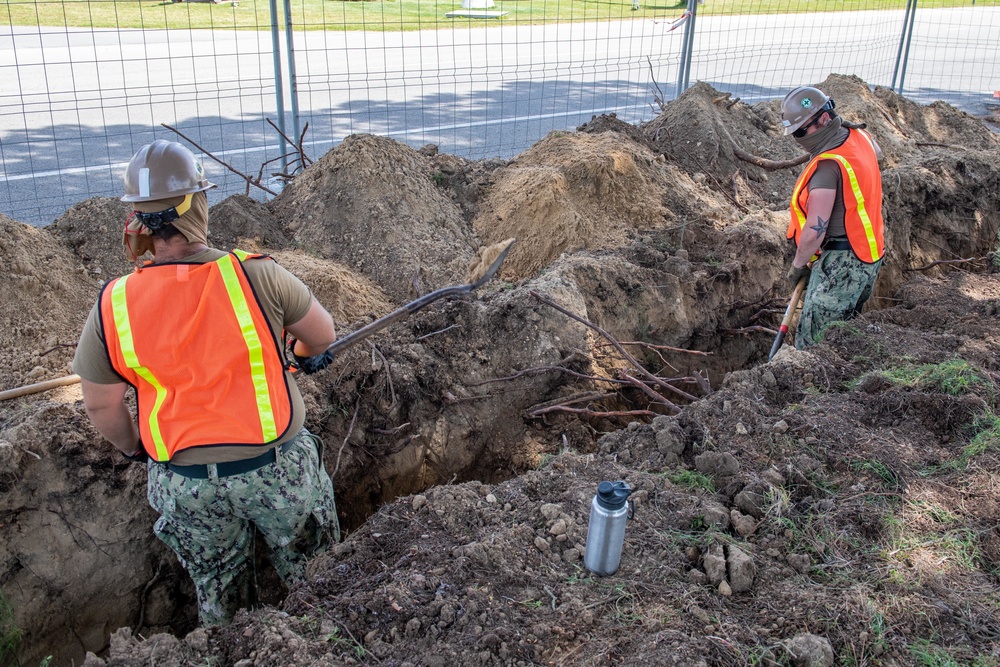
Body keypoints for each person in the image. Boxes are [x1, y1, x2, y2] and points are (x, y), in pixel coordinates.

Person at [73, 139, 341, 627]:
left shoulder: (113, 304)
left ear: (137, 218)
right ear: (200, 204)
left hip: (186, 484)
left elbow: (101, 407)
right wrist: (303, 358)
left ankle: (226, 646)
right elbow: (321, 336)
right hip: (276, 470)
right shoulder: (256, 275)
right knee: (322, 584)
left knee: (221, 601)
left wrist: (137, 450)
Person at [781, 86, 886, 349]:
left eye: (803, 130)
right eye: (795, 133)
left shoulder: (828, 167)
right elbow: (878, 153)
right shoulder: (859, 135)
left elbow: (816, 229)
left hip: (842, 267)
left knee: (812, 345)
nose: (799, 137)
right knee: (840, 337)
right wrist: (844, 129)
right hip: (870, 258)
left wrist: (798, 265)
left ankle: (812, 389)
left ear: (825, 118)